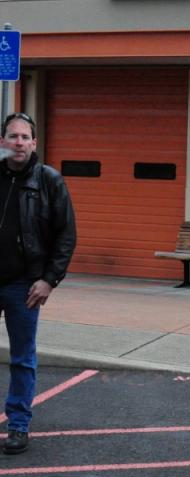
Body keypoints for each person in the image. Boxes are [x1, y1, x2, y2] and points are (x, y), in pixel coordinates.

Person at [0, 112, 76, 455]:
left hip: (25, 285)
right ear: (2, 141)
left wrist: (49, 279)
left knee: (22, 358)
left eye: (24, 137)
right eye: (12, 136)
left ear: (34, 142)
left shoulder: (49, 180)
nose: (18, 143)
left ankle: (18, 424)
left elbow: (66, 235)